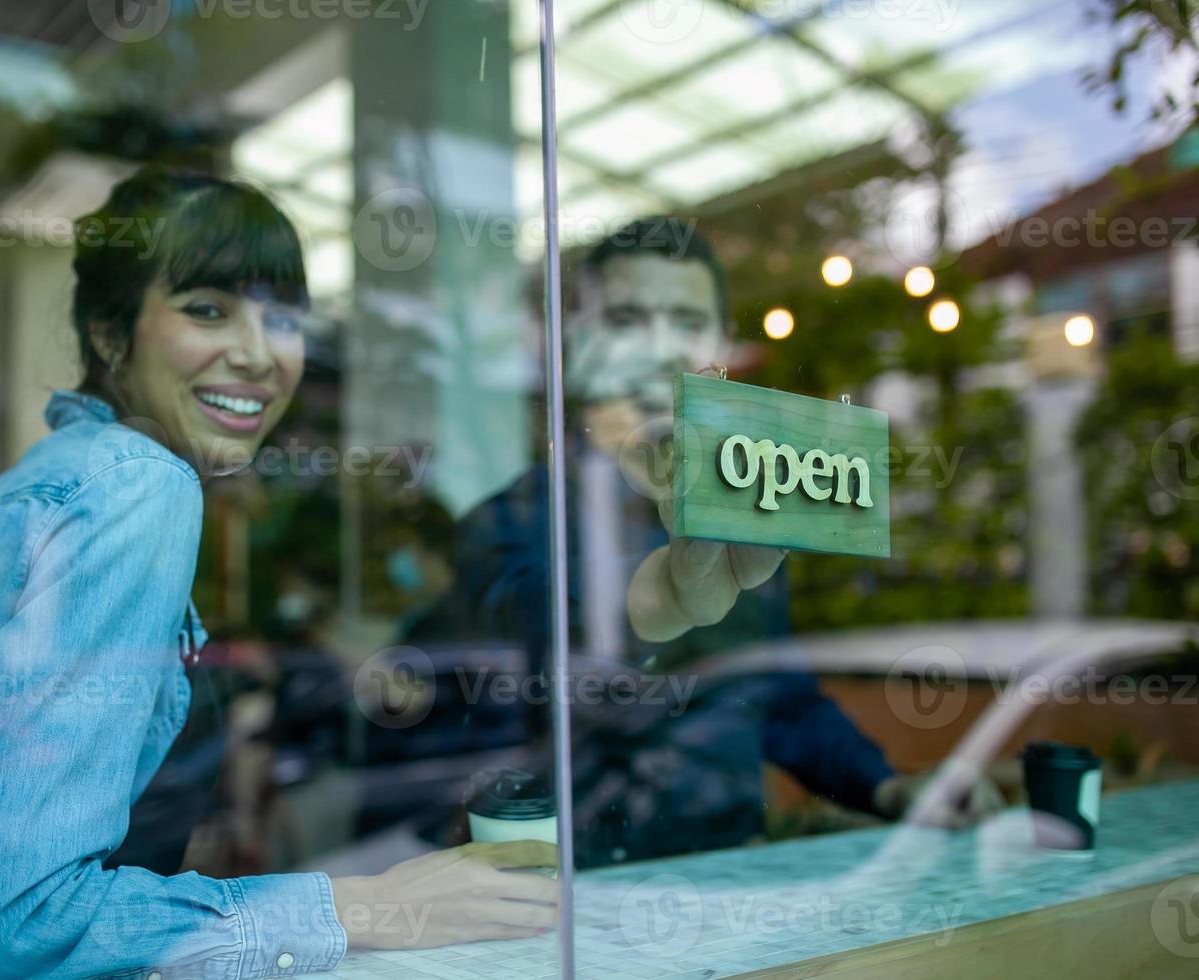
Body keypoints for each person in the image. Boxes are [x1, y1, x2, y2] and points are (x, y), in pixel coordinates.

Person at [0, 168, 556, 978]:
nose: (258, 355)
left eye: (283, 318)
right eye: (208, 309)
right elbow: (29, 927)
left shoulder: (52, 479)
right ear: (112, 336)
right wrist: (372, 905)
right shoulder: (137, 487)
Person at [423, 217, 1002, 865]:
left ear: (721, 346)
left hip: (724, 880)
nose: (663, 349)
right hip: (563, 904)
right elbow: (539, 657)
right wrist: (665, 601)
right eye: (626, 321)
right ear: (575, 340)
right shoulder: (507, 524)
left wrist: (889, 786)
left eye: (687, 322)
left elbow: (778, 699)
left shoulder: (744, 507)